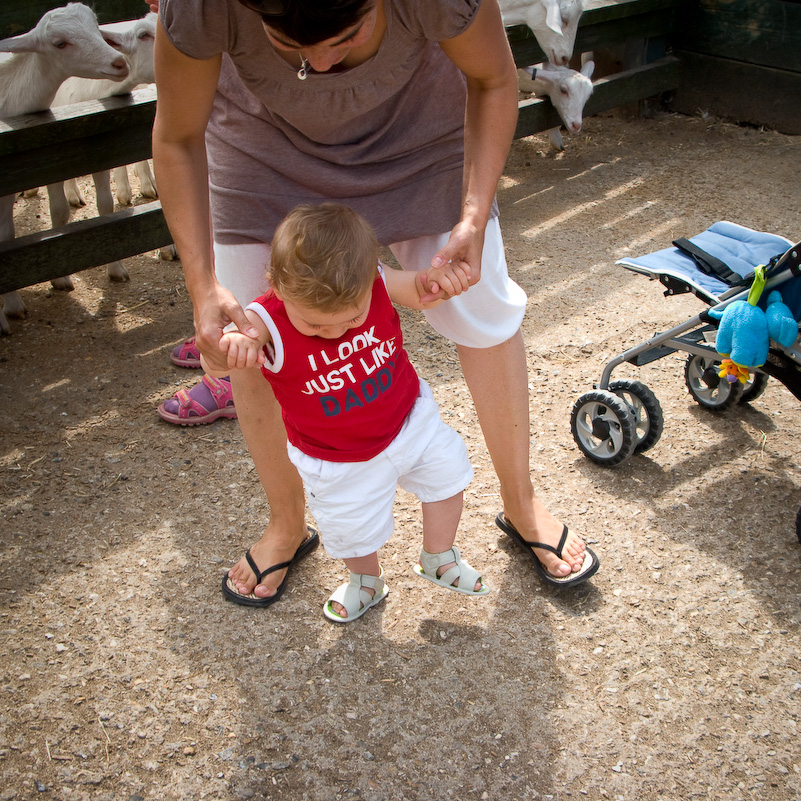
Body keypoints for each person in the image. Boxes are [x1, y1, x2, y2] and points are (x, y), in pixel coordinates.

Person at [151, 0, 599, 605]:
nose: (319, 63)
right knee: (252, 339)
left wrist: (472, 215)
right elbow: (177, 135)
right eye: (287, 43)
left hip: (423, 141)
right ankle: (286, 522)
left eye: (347, 36)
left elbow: (493, 79)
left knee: (481, 307)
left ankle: (522, 503)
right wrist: (203, 287)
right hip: (263, 151)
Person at [206, 202, 488, 620]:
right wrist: (233, 347)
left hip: (409, 420)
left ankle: (440, 555)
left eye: (353, 319)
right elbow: (215, 360)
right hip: (336, 456)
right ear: (278, 288)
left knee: (449, 476)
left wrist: (436, 281)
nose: (336, 332)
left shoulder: (371, 277)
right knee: (351, 530)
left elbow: (415, 289)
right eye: (317, 326)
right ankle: (366, 582)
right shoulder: (263, 319)